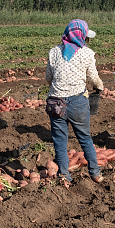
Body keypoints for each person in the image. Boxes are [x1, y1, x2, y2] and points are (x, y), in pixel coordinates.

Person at [45, 19, 104, 183]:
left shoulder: (54, 52)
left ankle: (64, 176)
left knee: (60, 142)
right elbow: (93, 78)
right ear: (82, 36)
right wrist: (99, 86)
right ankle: (95, 173)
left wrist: (59, 87)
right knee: (85, 138)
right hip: (77, 101)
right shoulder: (86, 53)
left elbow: (49, 77)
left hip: (55, 101)